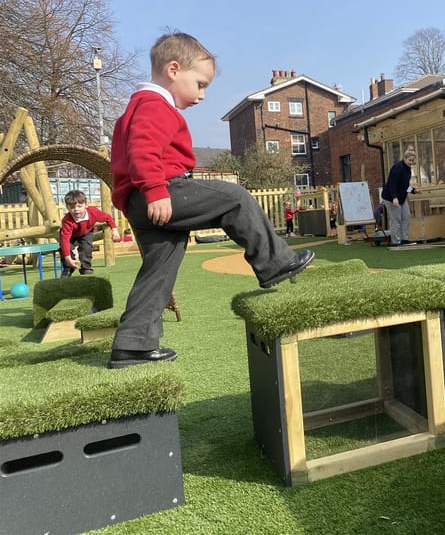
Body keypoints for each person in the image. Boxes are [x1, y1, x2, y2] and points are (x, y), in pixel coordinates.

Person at [107, 31, 314, 369]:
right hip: (159, 191)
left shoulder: (140, 104)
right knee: (235, 198)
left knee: (159, 269)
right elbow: (142, 151)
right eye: (200, 84)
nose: (202, 95)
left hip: (141, 199)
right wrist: (156, 191)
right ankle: (275, 262)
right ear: (174, 69)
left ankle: (133, 345)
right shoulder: (154, 104)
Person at [59, 189, 121, 277]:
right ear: (67, 207)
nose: (76, 210)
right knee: (65, 248)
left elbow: (108, 218)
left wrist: (115, 231)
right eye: (72, 208)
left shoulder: (93, 212)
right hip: (70, 235)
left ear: (86, 205)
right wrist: (67, 258)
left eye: (79, 206)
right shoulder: (67, 220)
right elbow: (65, 240)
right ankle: (68, 269)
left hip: (86, 231)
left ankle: (86, 269)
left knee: (86, 248)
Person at [380, 149, 420, 245]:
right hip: (390, 197)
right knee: (396, 218)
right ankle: (395, 241)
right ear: (405, 159)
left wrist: (414, 191)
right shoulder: (397, 168)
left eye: (413, 161)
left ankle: (404, 239)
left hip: (401, 197)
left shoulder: (408, 170)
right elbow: (392, 184)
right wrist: (394, 197)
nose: (411, 162)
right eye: (410, 160)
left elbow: (405, 186)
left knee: (406, 216)